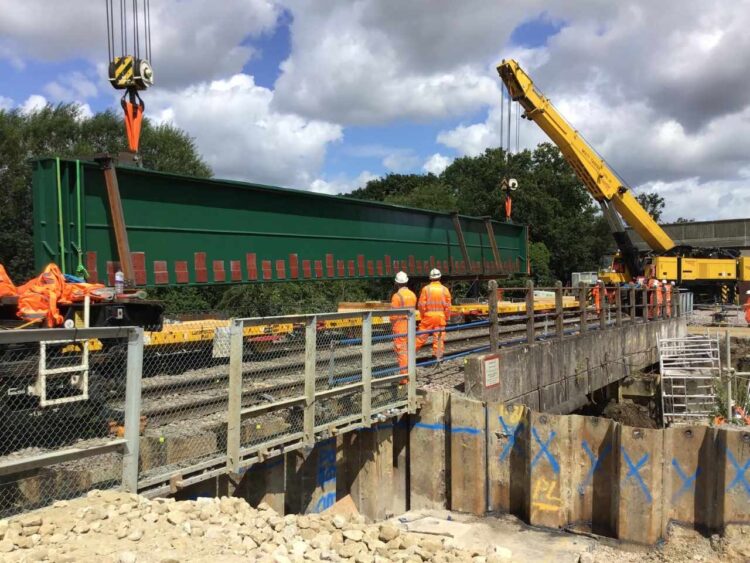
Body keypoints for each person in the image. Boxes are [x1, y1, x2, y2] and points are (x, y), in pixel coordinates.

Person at [417, 269, 452, 361]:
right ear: (440, 277)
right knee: (439, 337)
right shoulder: (445, 289)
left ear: (430, 278)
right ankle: (438, 357)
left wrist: (423, 316)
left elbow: (421, 305)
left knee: (421, 337)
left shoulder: (426, 289)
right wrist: (447, 317)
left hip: (428, 316)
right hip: (440, 317)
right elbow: (448, 306)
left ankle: (409, 354)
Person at [389, 271, 417, 381]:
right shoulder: (412, 295)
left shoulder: (397, 296)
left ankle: (404, 378)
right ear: (406, 282)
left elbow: (393, 316)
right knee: (409, 351)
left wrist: (392, 325)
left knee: (402, 353)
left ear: (397, 283)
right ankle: (411, 374)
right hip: (410, 326)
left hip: (400, 327)